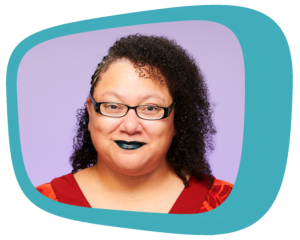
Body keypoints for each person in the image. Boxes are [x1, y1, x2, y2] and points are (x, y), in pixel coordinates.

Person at [36, 34, 233, 214]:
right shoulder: (43, 200)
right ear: (91, 113)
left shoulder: (224, 203)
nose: (130, 127)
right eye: (113, 106)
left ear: (177, 119)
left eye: (150, 108)